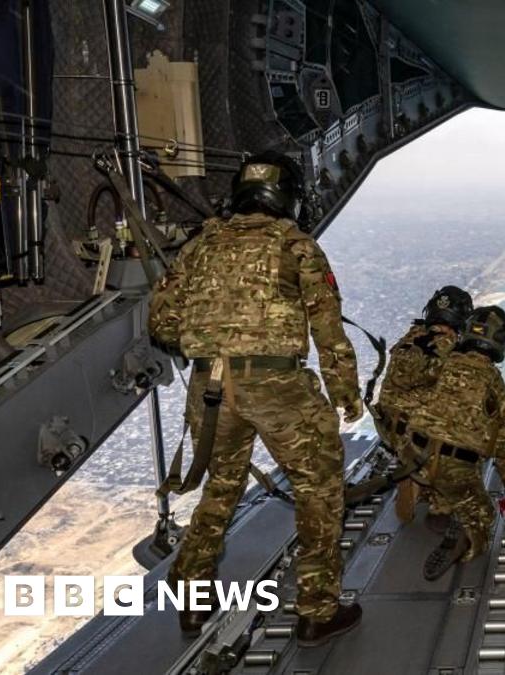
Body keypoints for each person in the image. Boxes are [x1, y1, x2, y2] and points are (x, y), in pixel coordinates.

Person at [148, 150, 363, 647]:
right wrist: (346, 394)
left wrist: (213, 343)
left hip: (211, 390)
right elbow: (328, 330)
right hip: (278, 387)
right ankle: (316, 611)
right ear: (287, 194)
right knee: (320, 490)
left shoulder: (199, 246)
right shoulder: (296, 245)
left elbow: (161, 323)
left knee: (220, 489)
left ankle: (194, 600)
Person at [406, 305, 505, 580]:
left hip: (414, 455)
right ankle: (467, 537)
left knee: (440, 478)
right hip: (454, 467)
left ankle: (434, 502)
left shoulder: (440, 364)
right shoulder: (499, 390)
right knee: (484, 515)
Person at [375, 285, 473, 528]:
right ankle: (438, 500)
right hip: (419, 436)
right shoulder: (451, 347)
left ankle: (412, 468)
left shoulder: (411, 337)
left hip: (389, 429)